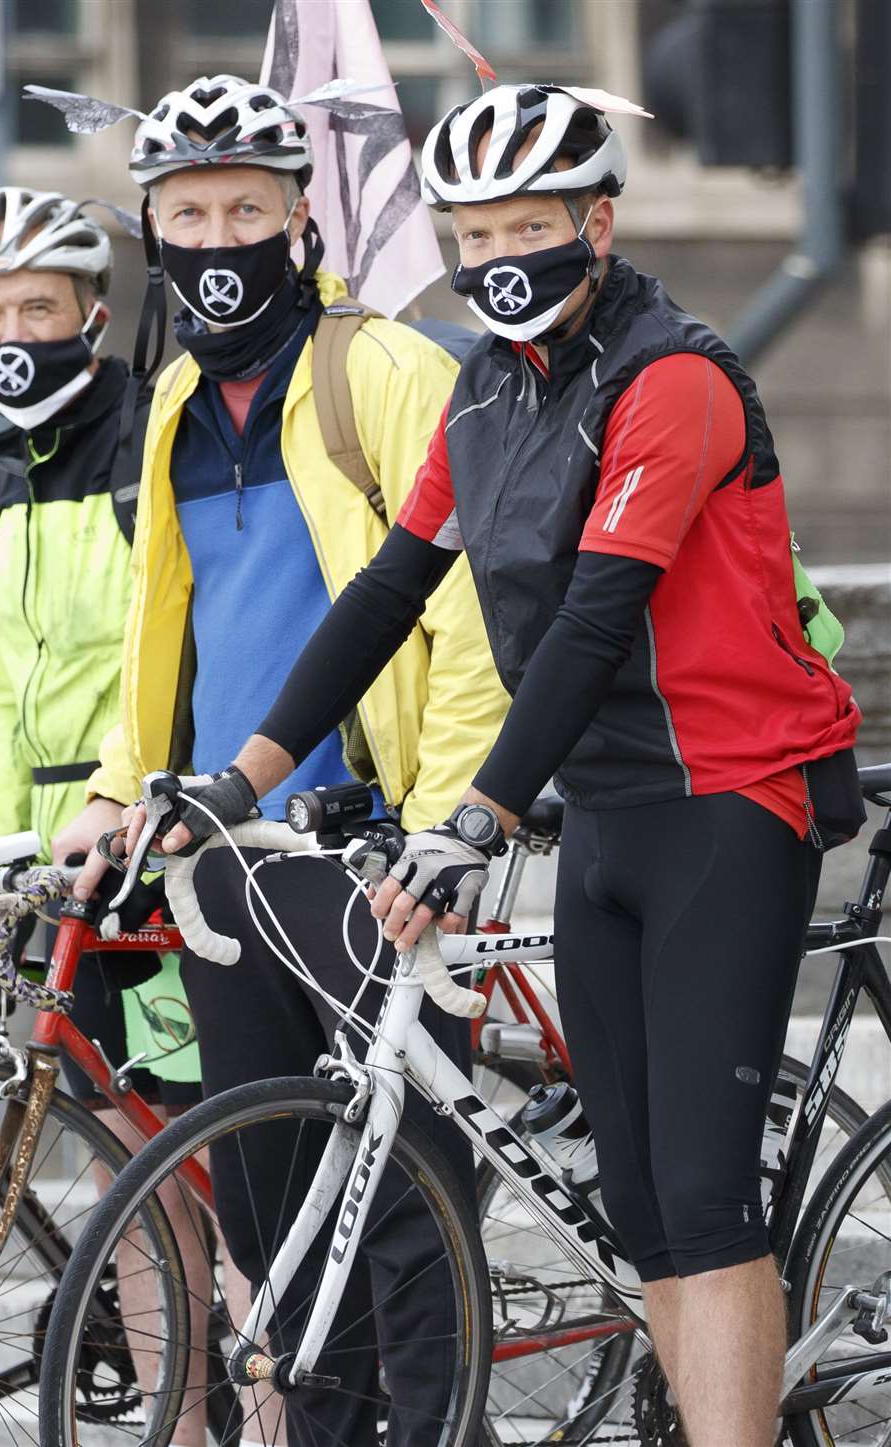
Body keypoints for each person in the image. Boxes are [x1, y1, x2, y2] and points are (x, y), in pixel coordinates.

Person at [139, 85, 863, 1447]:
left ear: (599, 221)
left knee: (704, 1198)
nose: (501, 256)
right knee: (639, 1200)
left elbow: (599, 614)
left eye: (532, 225)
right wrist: (240, 779)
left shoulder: (680, 381)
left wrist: (472, 813)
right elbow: (385, 591)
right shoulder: (482, 390)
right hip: (600, 812)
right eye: (476, 233)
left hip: (726, 803)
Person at [58, 73, 509, 1447]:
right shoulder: (176, 395)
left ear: (300, 215)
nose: (215, 238)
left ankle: (447, 1428)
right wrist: (125, 791)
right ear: (152, 231)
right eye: (186, 214)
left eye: (244, 207)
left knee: (406, 1205)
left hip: (373, 846)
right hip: (223, 855)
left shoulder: (386, 369)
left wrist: (442, 825)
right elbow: (162, 631)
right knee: (271, 1206)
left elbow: (473, 617)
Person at [0, 186, 209, 1441]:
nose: (11, 331)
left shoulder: (141, 446)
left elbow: (178, 650)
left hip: (149, 845)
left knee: (198, 1157)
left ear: (94, 311)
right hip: (54, 880)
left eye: (37, 305)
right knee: (120, 1172)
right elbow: (6, 699)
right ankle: (175, 1418)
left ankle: (249, 1413)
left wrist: (136, 805)